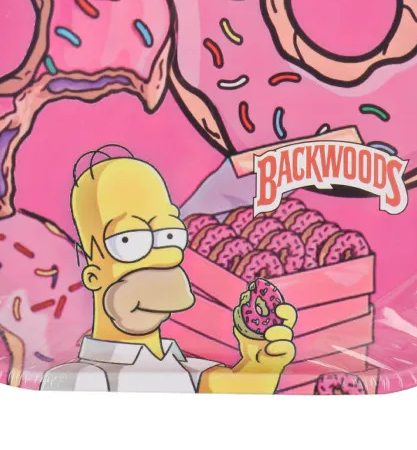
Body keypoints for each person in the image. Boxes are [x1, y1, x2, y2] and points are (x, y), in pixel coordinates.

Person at [41, 150, 297, 393]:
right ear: (93, 275)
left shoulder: (183, 367)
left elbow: (234, 390)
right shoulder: (82, 379)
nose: (159, 260)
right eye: (129, 240)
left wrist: (261, 364)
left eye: (169, 235)